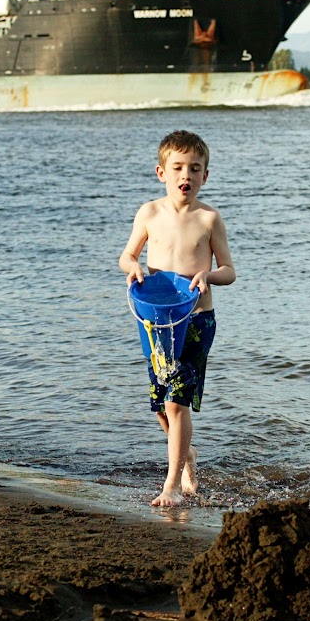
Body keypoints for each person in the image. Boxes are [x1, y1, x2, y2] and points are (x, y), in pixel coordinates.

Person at [117, 130, 235, 508]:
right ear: (161, 172)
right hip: (156, 323)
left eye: (195, 169)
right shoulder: (149, 213)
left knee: (176, 402)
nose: (187, 175)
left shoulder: (209, 219)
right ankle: (187, 456)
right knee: (160, 405)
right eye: (178, 167)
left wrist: (208, 276)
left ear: (205, 176)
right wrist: (133, 266)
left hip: (198, 320)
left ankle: (170, 485)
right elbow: (125, 256)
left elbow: (229, 270)